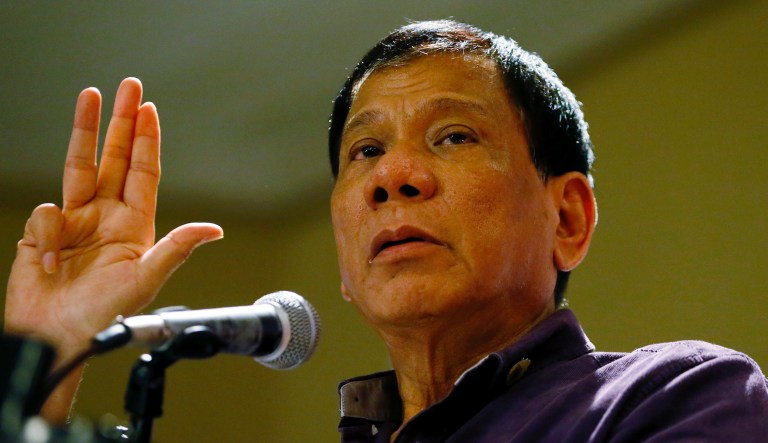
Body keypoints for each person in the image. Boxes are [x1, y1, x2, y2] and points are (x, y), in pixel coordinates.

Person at [4, 19, 767, 442]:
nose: (390, 176)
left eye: (454, 138)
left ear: (566, 217)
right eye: (365, 151)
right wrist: (51, 361)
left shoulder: (675, 397)